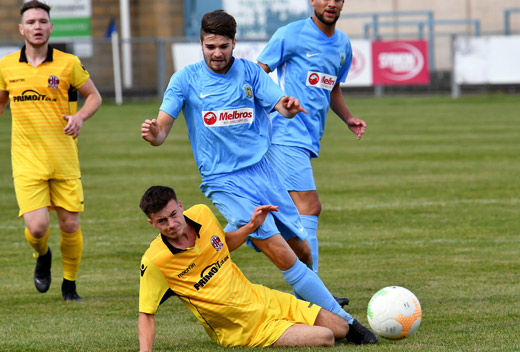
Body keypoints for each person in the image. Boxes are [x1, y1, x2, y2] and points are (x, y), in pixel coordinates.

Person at [141, 9, 376, 344]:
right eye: (210, 46)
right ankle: (350, 325)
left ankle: (316, 304)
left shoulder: (250, 73)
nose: (217, 53)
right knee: (282, 253)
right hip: (224, 183)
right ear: (201, 44)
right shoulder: (185, 79)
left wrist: (288, 106)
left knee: (302, 250)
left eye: (223, 45)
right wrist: (154, 134)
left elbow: (278, 102)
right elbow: (162, 128)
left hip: (263, 174)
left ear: (234, 43)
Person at [138, 185, 355, 349]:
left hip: (263, 299)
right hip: (243, 329)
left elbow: (223, 244)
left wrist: (252, 226)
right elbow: (147, 314)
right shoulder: (155, 261)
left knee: (341, 328)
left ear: (180, 206)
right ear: (152, 224)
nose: (172, 225)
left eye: (174, 215)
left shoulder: (202, 214)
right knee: (325, 336)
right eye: (162, 221)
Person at [0, 0, 102, 301]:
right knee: (37, 227)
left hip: (64, 158)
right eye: (31, 22)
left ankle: (69, 285)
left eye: (42, 21)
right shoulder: (6, 66)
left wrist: (79, 117)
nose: (37, 27)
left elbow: (94, 97)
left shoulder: (68, 63)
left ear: (51, 27)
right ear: (21, 29)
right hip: (26, 159)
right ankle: (42, 256)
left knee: (70, 223)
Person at [257, 0, 366, 276]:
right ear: (312, 1)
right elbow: (257, 74)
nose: (331, 3)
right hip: (284, 132)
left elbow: (332, 87)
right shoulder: (289, 34)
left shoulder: (343, 44)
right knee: (310, 206)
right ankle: (315, 294)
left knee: (290, 211)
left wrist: (348, 118)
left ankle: (256, 235)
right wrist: (278, 102)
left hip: (306, 139)